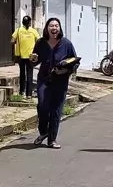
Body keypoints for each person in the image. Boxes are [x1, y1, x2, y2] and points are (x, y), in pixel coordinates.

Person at [30, 17, 77, 149]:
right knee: (42, 105)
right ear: (47, 28)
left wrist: (65, 70)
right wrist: (33, 60)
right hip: (44, 79)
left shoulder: (66, 44)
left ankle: (52, 140)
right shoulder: (41, 43)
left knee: (56, 110)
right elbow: (35, 60)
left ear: (59, 28)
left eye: (56, 26)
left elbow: (74, 61)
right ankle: (43, 131)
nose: (54, 28)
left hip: (60, 81)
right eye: (51, 25)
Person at [11, 15, 40, 98]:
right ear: (30, 23)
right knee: (29, 74)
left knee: (22, 74)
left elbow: (12, 41)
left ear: (22, 22)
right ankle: (29, 94)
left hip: (20, 56)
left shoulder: (18, 30)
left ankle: (21, 92)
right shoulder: (33, 31)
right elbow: (39, 41)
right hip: (30, 56)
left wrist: (18, 43)